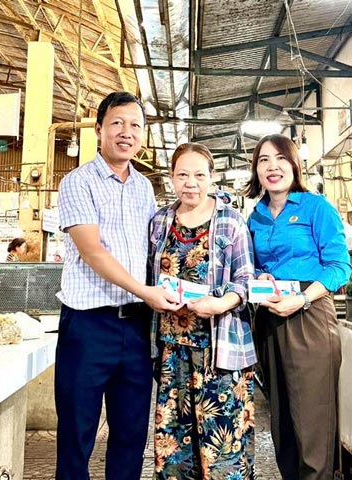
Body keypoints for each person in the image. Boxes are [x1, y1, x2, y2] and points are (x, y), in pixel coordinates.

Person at [55, 91, 180, 480]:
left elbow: (155, 252)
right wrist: (145, 291)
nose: (127, 132)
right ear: (99, 129)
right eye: (118, 123)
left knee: (130, 434)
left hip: (137, 327)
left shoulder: (144, 188)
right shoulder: (78, 182)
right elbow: (93, 251)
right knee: (77, 433)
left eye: (135, 125)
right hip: (89, 324)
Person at [243, 133, 351, 480]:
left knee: (311, 419)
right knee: (282, 419)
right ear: (256, 170)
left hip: (309, 314)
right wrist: (260, 278)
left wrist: (302, 299)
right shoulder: (256, 216)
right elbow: (251, 265)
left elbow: (339, 267)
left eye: (280, 158)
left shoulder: (316, 208)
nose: (272, 167)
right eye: (263, 160)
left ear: (294, 165)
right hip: (270, 317)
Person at [148, 143, 256, 479]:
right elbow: (149, 276)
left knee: (221, 445)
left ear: (212, 177)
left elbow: (246, 280)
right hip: (172, 351)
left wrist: (220, 303)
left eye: (199, 175)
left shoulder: (231, 222)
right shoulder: (160, 221)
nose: (190, 183)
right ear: (172, 177)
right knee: (175, 447)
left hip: (218, 349)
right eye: (182, 175)